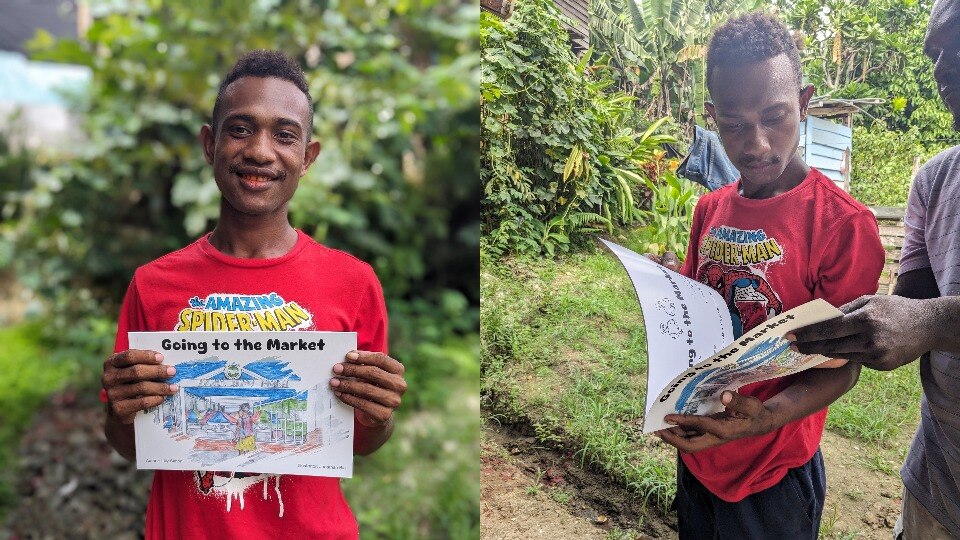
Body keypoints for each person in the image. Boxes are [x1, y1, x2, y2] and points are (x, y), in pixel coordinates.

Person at [99, 50, 408, 539]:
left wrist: (378, 415)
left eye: (285, 135)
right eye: (240, 129)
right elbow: (132, 443)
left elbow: (363, 441)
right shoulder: (154, 284)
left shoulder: (353, 282)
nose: (260, 151)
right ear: (210, 144)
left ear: (308, 157)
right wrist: (120, 409)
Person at [649, 12, 885, 539]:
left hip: (771, 476)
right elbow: (697, 319)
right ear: (712, 118)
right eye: (733, 124)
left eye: (775, 116)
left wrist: (767, 417)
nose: (755, 143)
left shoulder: (843, 226)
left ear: (803, 103)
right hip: (699, 456)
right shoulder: (709, 211)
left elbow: (844, 366)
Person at [790, 1, 960, 537]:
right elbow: (910, 302)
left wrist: (932, 323)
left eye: (955, 45)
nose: (939, 69)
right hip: (940, 482)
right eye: (934, 52)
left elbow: (926, 318)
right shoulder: (935, 182)